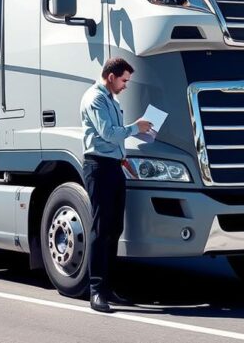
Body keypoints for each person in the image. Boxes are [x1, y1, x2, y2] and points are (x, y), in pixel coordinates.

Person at [80, 57, 152, 313]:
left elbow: (114, 138)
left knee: (114, 227)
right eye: (124, 80)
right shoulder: (96, 98)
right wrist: (136, 128)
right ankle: (96, 290)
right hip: (98, 167)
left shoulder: (111, 99)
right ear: (111, 76)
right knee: (100, 228)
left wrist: (124, 160)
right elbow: (108, 133)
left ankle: (108, 287)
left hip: (113, 166)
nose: (125, 85)